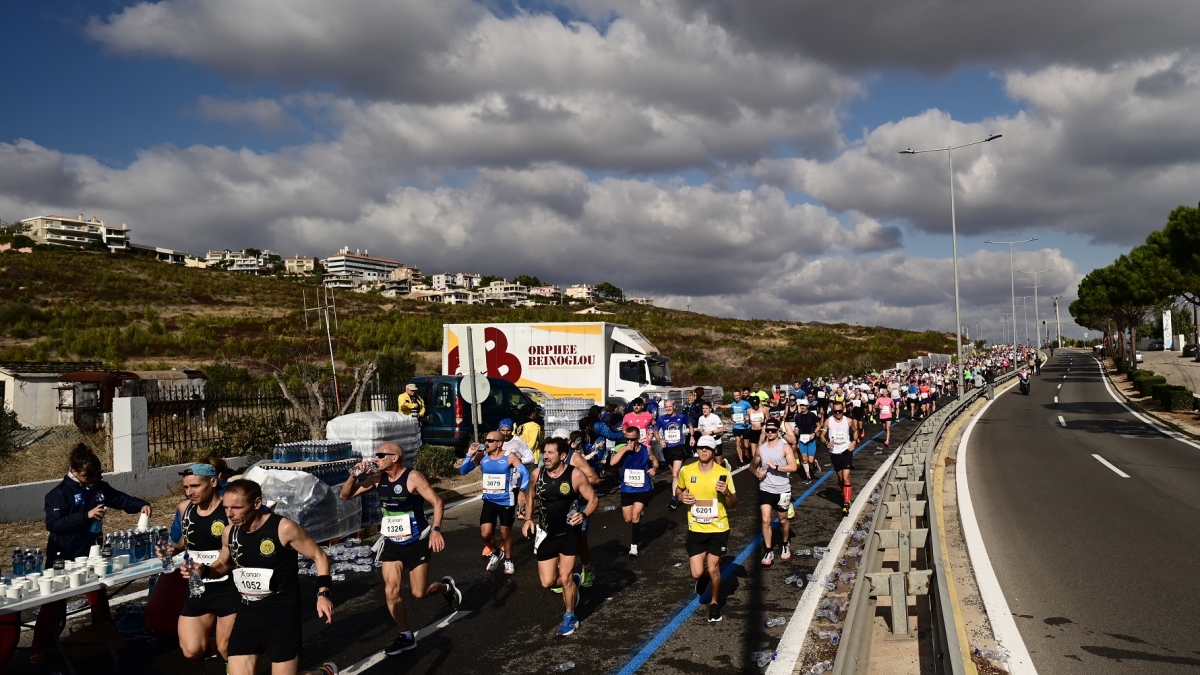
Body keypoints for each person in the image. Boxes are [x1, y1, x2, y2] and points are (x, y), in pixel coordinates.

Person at [183, 479, 337, 675]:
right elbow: (224, 564)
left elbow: (319, 556)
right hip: (247, 613)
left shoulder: (284, 528)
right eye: (226, 507)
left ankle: (322, 673)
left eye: (237, 508)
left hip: (281, 615)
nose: (229, 514)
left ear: (257, 503)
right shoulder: (230, 532)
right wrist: (202, 571)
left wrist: (323, 594)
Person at [33, 444, 152, 662]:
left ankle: (104, 637)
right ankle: (41, 647)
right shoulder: (59, 494)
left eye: (97, 474)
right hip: (64, 554)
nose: (92, 479)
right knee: (54, 602)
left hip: (91, 552)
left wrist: (141, 505)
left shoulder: (99, 487)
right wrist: (86, 515)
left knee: (98, 596)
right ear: (74, 471)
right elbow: (54, 524)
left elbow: (121, 499)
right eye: (87, 475)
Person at [339, 443, 460, 655]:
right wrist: (353, 476)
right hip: (392, 542)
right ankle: (406, 636)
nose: (376, 458)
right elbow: (345, 495)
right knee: (390, 589)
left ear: (395, 458)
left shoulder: (413, 478)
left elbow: (438, 502)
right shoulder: (378, 479)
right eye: (376, 455)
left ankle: (445, 588)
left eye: (381, 455)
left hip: (417, 540)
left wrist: (436, 530)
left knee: (419, 592)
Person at [522, 438, 599, 636]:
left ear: (563, 456)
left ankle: (570, 616)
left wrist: (583, 514)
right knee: (547, 582)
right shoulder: (537, 474)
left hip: (568, 534)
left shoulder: (575, 475)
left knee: (564, 578)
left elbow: (593, 500)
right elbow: (531, 496)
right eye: (544, 452)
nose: (545, 457)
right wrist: (528, 519)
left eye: (550, 453)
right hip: (546, 534)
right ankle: (573, 582)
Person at [167, 463, 240, 661]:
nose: (189, 492)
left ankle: (238, 657)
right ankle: (242, 652)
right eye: (186, 487)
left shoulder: (229, 509)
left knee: (228, 649)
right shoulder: (185, 509)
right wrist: (174, 549)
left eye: (195, 486)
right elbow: (188, 538)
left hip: (229, 587)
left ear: (214, 482)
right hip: (198, 588)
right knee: (192, 651)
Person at [676, 436, 737, 623]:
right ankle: (702, 579)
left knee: (713, 567)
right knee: (696, 572)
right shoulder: (686, 471)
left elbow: (734, 503)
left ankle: (714, 604)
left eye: (708, 448)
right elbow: (679, 491)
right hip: (696, 528)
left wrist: (726, 492)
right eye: (701, 448)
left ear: (713, 451)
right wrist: (680, 498)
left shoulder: (723, 473)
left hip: (718, 528)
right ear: (697, 450)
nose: (704, 451)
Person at [459, 432, 530, 575]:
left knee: (505, 533)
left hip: (506, 501)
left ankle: (508, 560)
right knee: (485, 534)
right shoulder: (482, 456)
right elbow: (463, 471)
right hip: (489, 501)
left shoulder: (509, 457)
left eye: (490, 441)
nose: (486, 443)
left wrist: (522, 490)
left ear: (499, 443)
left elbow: (525, 474)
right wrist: (469, 454)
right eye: (486, 440)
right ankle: (496, 553)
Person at [753, 420, 798, 567]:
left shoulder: (784, 447)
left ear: (778, 430)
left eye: (773, 430)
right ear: (765, 431)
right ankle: (768, 550)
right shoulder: (761, 449)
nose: (770, 433)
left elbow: (793, 467)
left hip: (783, 490)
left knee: (783, 520)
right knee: (766, 520)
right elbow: (751, 466)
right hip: (766, 488)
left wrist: (777, 467)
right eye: (768, 430)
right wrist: (757, 474)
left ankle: (785, 543)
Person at [610, 426, 658, 556]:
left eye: (633, 439)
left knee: (635, 516)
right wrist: (625, 449)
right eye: (627, 439)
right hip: (627, 488)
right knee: (628, 519)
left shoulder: (646, 450)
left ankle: (634, 546)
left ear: (638, 438)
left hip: (643, 487)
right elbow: (612, 463)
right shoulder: (622, 449)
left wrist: (654, 468)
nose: (630, 442)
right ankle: (640, 513)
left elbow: (655, 462)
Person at [654, 400, 693, 510]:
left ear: (674, 406)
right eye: (667, 407)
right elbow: (655, 431)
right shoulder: (662, 419)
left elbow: (690, 425)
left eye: (670, 406)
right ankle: (684, 490)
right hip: (667, 449)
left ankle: (674, 499)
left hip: (678, 447)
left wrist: (692, 437)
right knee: (675, 475)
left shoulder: (681, 417)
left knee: (675, 474)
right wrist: (660, 440)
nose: (669, 408)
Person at [821, 403, 854, 514]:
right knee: (840, 478)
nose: (838, 413)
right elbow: (821, 435)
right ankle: (845, 493)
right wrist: (826, 443)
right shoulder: (828, 421)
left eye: (840, 411)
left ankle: (846, 502)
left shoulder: (848, 420)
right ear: (832, 411)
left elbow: (856, 431)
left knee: (846, 478)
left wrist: (854, 442)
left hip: (846, 451)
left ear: (843, 410)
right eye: (835, 411)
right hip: (834, 452)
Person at [784, 400, 820, 481]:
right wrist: (796, 431)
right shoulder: (797, 416)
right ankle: (808, 477)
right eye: (801, 405)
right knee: (804, 458)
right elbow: (797, 427)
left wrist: (814, 433)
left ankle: (815, 463)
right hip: (802, 439)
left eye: (804, 405)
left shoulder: (812, 415)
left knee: (810, 460)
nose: (802, 407)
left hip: (811, 439)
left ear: (807, 406)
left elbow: (818, 425)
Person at [724, 390, 754, 465]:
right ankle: (741, 460)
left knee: (746, 445)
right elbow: (732, 413)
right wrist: (731, 419)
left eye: (737, 395)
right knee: (738, 443)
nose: (736, 397)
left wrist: (747, 420)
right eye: (735, 396)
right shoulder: (733, 404)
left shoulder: (746, 403)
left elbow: (750, 412)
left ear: (740, 395)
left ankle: (748, 450)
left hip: (745, 426)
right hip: (737, 426)